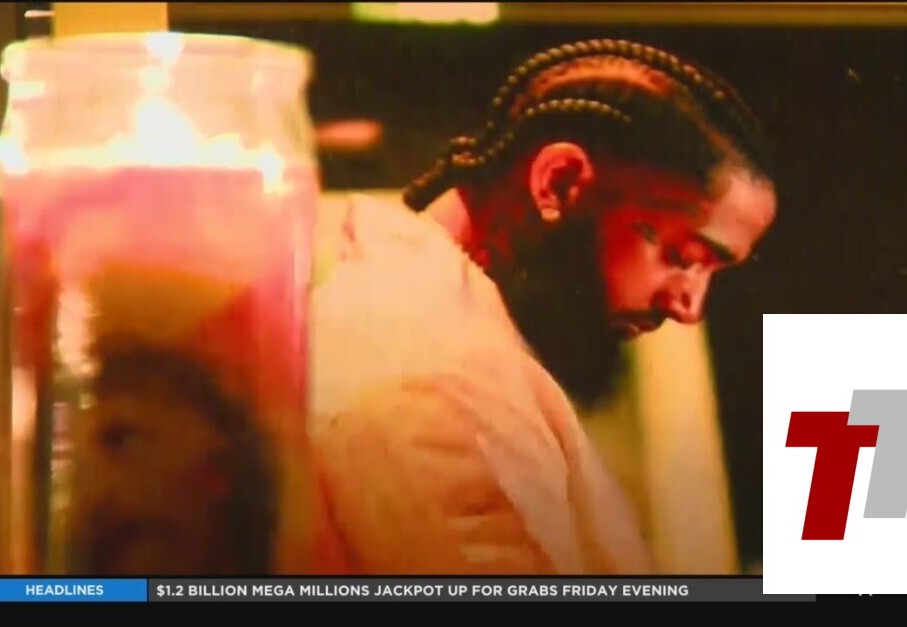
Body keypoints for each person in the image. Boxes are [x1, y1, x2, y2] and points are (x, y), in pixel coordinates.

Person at [309, 39, 777, 574]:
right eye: (684, 256)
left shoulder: (415, 303)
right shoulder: (435, 381)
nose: (689, 306)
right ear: (559, 182)